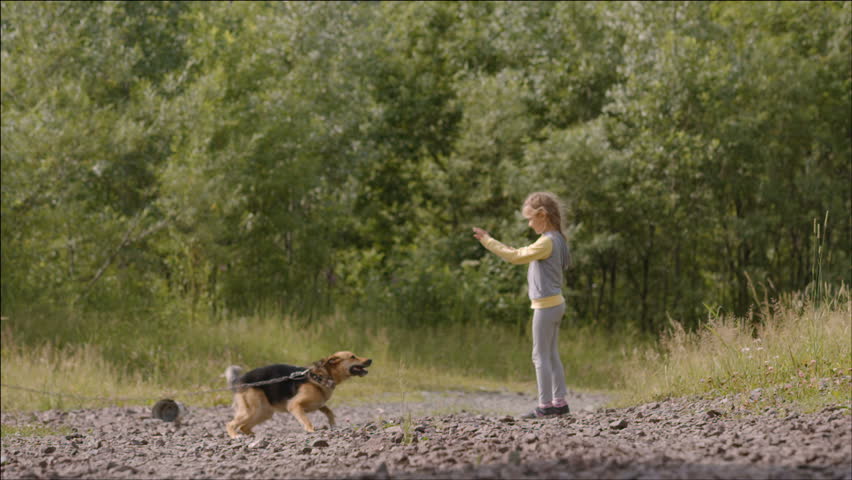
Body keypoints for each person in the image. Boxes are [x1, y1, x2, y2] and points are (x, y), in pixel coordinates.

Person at [472, 191, 572, 419]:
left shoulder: (546, 242)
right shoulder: (558, 239)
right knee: (551, 354)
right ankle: (560, 402)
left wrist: (488, 240)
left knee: (540, 356)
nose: (529, 224)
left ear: (543, 215)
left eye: (530, 218)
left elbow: (516, 256)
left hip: (545, 306)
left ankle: (545, 406)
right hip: (556, 304)